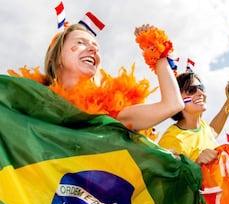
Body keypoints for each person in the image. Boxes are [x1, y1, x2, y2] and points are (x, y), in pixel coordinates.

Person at [10, 23, 184, 132]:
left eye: (96, 47)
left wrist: (158, 53)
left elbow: (172, 104)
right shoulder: (28, 103)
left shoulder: (111, 114)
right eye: (80, 43)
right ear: (56, 57)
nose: (92, 49)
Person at [158, 72, 229, 204]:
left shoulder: (203, 127)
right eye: (192, 90)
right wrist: (195, 163)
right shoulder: (172, 138)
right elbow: (165, 187)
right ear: (178, 98)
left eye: (202, 88)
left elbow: (213, 131)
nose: (201, 93)